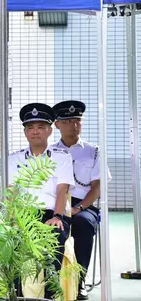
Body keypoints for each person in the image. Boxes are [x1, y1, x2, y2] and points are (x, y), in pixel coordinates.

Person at [8, 103, 74, 299]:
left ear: (49, 130)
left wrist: (57, 216)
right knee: (10, 241)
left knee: (54, 238)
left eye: (40, 127)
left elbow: (62, 190)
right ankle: (17, 293)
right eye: (30, 127)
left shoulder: (62, 157)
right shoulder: (14, 159)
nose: (35, 132)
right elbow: (12, 192)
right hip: (23, 214)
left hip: (52, 213)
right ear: (25, 132)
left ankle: (50, 295)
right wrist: (11, 219)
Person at [52, 100, 110, 300]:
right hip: (57, 203)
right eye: (67, 121)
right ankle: (51, 281)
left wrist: (78, 207)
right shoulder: (50, 151)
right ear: (57, 125)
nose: (73, 125)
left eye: (77, 120)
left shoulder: (93, 151)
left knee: (83, 224)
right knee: (51, 225)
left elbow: (98, 186)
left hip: (83, 204)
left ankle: (79, 281)